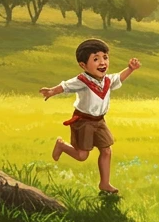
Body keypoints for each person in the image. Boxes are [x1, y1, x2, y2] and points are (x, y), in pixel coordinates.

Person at [39, 39, 141, 194]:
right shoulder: (82, 81)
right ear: (83, 65)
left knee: (106, 150)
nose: (102, 62)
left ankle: (105, 184)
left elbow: (119, 78)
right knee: (82, 155)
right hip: (84, 121)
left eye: (105, 57)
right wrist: (52, 91)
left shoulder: (107, 80)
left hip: (99, 121)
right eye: (96, 59)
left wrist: (130, 69)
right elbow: (66, 86)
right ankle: (61, 145)